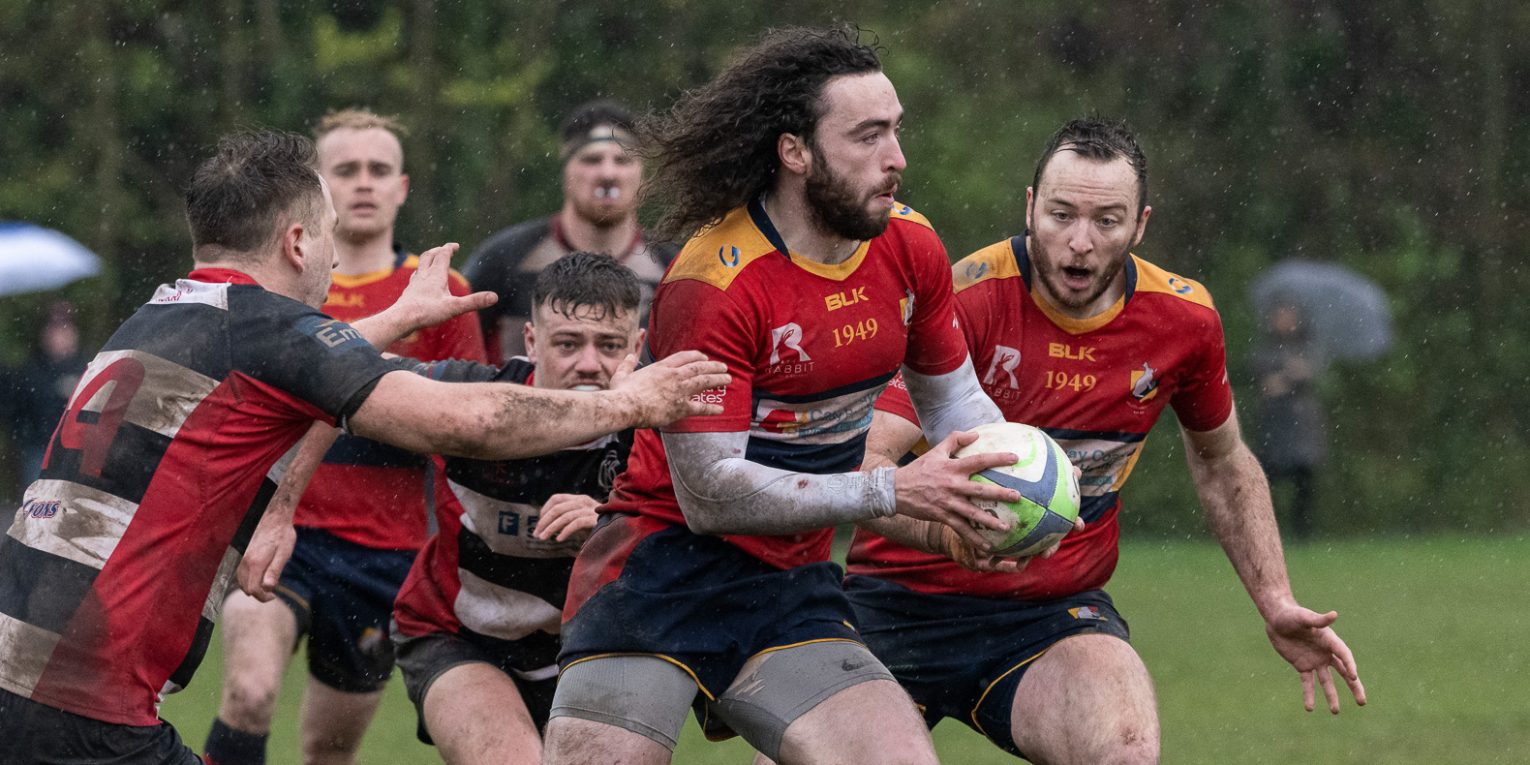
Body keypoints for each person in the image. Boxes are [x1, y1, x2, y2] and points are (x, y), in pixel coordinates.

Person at [0, 128, 729, 765]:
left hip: (19, 660)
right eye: (325, 236)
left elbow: (302, 368)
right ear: (295, 241)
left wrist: (397, 315)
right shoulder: (267, 329)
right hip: (83, 697)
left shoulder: (165, 314)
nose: (332, 258)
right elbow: (459, 423)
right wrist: (629, 400)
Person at [542, 26, 1032, 765]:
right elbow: (711, 496)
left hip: (789, 580)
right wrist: (891, 490)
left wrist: (1012, 484)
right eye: (868, 136)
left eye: (896, 132)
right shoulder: (714, 283)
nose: (897, 159)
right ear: (794, 150)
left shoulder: (911, 247)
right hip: (659, 569)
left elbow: (956, 402)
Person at [843, 118, 1366, 765]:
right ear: (1031, 207)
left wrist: (1276, 598)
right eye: (1061, 214)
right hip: (893, 605)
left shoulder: (1184, 320)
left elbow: (1223, 460)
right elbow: (863, 463)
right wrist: (944, 535)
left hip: (1051, 614)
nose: (1081, 243)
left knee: (1123, 750)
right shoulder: (966, 298)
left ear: (1140, 224)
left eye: (1108, 221)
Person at [204, 109, 487, 765]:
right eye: (346, 169)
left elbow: (463, 433)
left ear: (403, 187)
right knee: (248, 691)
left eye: (379, 169)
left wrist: (458, 554)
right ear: (319, 189)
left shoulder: (438, 291)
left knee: (328, 750)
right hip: (280, 535)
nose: (363, 182)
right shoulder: (280, 285)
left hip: (383, 554)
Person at [389, 252, 646, 765]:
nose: (590, 364)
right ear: (531, 342)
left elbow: (703, 536)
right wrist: (400, 320)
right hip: (460, 635)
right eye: (568, 344)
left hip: (599, 649)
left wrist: (612, 525)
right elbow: (330, 377)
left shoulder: (658, 424)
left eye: (610, 346)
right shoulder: (473, 400)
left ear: (638, 348)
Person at [463, 99, 677, 364]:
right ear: (566, 169)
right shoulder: (503, 259)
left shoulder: (673, 271)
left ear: (642, 173)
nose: (608, 173)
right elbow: (453, 356)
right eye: (592, 159)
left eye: (622, 160)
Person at [1251, 300, 1326, 541]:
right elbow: (1263, 379)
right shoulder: (1267, 348)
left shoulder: (1307, 347)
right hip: (1274, 422)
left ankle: (1302, 531)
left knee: (1303, 479)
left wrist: (1291, 377)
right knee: (1267, 476)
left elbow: (1311, 373)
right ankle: (1266, 529)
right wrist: (1287, 376)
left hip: (1301, 424)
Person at [4, 301, 87, 487]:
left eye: (64, 329)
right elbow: (17, 409)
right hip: (39, 450)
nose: (58, 336)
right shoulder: (31, 370)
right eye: (54, 330)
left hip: (76, 451)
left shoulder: (88, 367)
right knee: (37, 507)